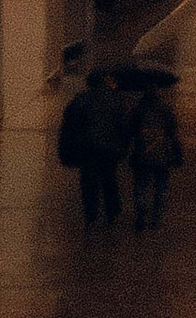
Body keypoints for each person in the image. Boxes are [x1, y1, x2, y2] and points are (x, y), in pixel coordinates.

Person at [56, 68, 132, 227]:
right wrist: (124, 146)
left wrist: (67, 148)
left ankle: (91, 212)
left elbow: (69, 126)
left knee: (88, 180)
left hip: (88, 148)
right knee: (109, 178)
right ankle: (112, 210)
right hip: (110, 148)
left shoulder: (81, 100)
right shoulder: (116, 99)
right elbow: (124, 126)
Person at [127, 80, 184, 231]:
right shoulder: (166, 109)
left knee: (140, 185)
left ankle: (141, 213)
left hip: (142, 154)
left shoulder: (138, 109)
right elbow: (173, 133)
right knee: (161, 187)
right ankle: (156, 218)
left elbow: (130, 131)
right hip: (162, 154)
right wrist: (177, 154)